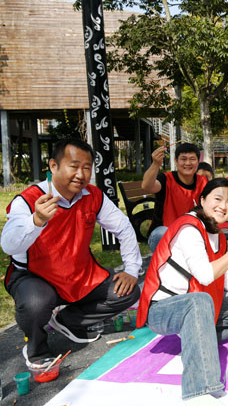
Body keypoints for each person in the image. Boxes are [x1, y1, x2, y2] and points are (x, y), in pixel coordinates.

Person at [137, 178, 228, 405]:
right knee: (200, 301)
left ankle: (195, 342)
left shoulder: (216, 233)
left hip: (194, 304)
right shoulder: (189, 228)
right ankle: (200, 389)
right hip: (162, 309)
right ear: (202, 199)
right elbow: (206, 275)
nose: (223, 206)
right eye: (218, 199)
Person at [2, 139, 142, 368]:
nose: (81, 175)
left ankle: (69, 321)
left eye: (87, 168)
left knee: (127, 291)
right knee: (35, 303)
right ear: (53, 166)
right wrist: (36, 221)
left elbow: (123, 227)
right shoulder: (28, 200)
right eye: (74, 166)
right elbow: (9, 245)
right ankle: (37, 349)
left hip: (79, 274)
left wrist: (132, 269)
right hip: (36, 277)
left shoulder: (93, 195)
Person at [142, 142, 208, 253]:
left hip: (192, 233)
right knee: (161, 233)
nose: (188, 163)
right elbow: (147, 186)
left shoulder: (203, 182)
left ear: (198, 161)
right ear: (176, 161)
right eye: (183, 159)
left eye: (192, 159)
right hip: (166, 233)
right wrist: (156, 164)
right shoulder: (166, 179)